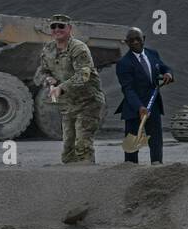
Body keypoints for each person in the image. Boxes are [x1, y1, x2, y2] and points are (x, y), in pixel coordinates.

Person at [33, 13, 105, 164]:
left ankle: (87, 178)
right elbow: (41, 71)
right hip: (68, 104)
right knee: (68, 152)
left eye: (61, 26)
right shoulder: (49, 49)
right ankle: (71, 181)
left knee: (82, 146)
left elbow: (83, 76)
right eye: (53, 26)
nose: (57, 29)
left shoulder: (78, 48)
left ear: (69, 28)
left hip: (88, 102)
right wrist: (48, 79)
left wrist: (61, 87)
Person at [114, 27, 173, 164]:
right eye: (131, 40)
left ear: (144, 39)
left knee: (156, 141)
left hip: (153, 105)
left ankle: (157, 167)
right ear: (126, 42)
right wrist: (139, 107)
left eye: (138, 39)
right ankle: (130, 171)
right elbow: (128, 89)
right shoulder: (123, 63)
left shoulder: (153, 54)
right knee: (131, 146)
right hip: (134, 108)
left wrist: (168, 73)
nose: (135, 42)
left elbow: (164, 67)